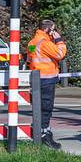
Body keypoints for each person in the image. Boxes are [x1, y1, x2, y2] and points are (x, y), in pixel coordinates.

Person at [27, 19, 66, 149]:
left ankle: (39, 132)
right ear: (48, 29)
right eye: (53, 30)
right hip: (47, 79)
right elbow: (60, 54)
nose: (55, 32)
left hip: (36, 79)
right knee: (46, 108)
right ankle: (44, 135)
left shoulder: (33, 42)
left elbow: (29, 58)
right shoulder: (45, 43)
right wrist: (59, 40)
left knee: (38, 108)